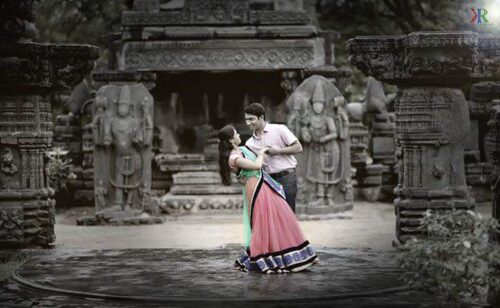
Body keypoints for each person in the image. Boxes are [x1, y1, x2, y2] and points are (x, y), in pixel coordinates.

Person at [218, 125, 317, 273]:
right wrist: (263, 152)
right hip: (256, 188)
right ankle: (269, 256)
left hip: (263, 184)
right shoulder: (234, 156)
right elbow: (257, 165)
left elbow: (251, 168)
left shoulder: (242, 150)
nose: (239, 134)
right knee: (264, 221)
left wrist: (242, 174)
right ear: (232, 140)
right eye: (236, 133)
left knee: (280, 216)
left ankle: (295, 253)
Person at [243, 103, 302, 212]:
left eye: (251, 119)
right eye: (246, 119)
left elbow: (298, 147)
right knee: (272, 216)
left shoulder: (279, 129)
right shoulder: (249, 143)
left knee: (288, 213)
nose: (248, 123)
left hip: (287, 178)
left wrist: (278, 151)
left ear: (261, 117)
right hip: (267, 182)